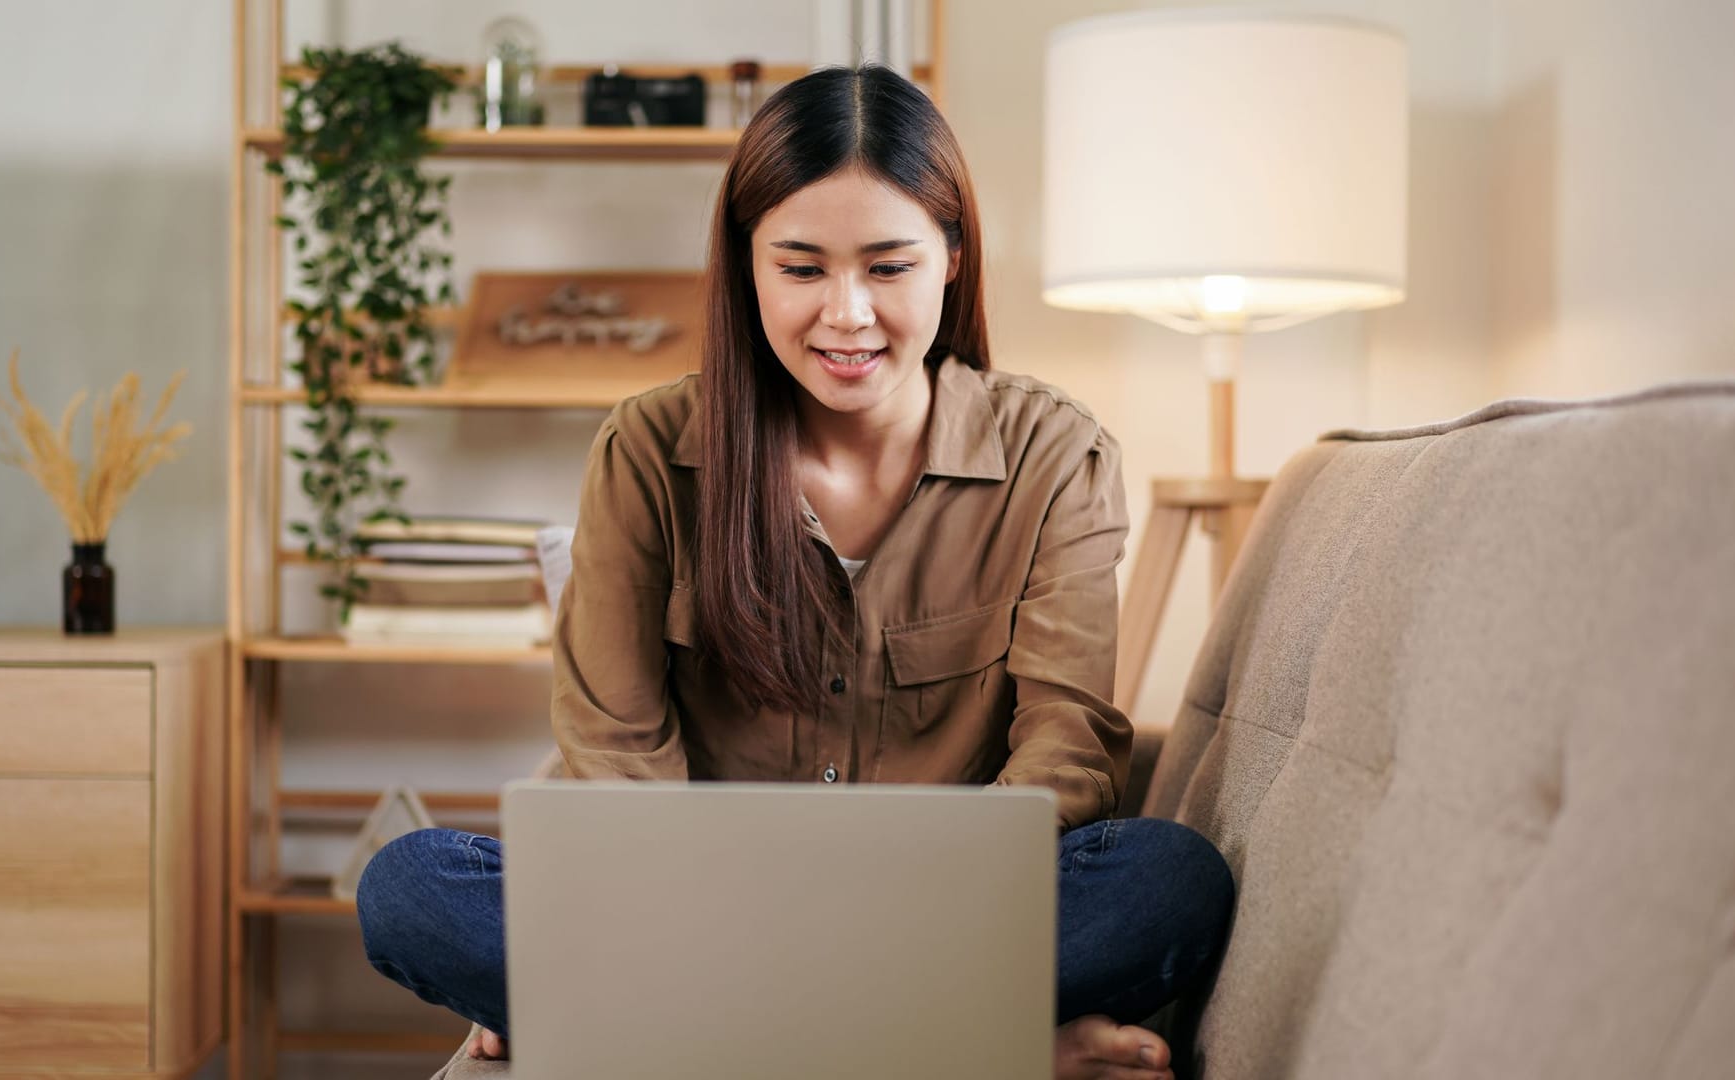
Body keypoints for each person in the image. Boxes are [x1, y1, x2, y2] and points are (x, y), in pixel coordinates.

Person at [357, 64, 1234, 1080]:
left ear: (952, 258)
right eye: (803, 268)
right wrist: (723, 924)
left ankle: (664, 1029)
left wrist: (902, 908)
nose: (848, 316)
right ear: (747, 267)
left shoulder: (1053, 455)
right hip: (687, 909)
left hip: (948, 915)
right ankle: (972, 1046)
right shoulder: (647, 450)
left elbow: (1066, 750)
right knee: (412, 886)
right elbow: (615, 757)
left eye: (889, 267)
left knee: (1172, 880)